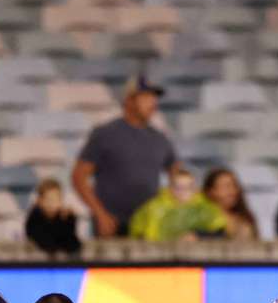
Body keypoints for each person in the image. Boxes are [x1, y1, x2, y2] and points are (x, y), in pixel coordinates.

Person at [72, 75, 179, 237]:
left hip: (148, 227)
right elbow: (78, 177)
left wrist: (168, 210)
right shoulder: (105, 134)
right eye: (146, 97)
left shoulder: (160, 138)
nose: (153, 103)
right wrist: (100, 214)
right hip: (112, 225)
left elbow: (177, 174)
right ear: (129, 101)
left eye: (154, 98)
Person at [128, 169, 226, 242]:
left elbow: (219, 231)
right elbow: (141, 232)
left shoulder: (205, 208)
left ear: (195, 189)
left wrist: (198, 235)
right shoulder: (155, 207)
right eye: (178, 187)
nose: (183, 192)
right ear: (170, 188)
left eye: (187, 187)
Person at [25, 178, 82, 255]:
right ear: (40, 201)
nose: (53, 203)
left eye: (57, 199)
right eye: (49, 199)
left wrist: (69, 219)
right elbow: (45, 241)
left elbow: (72, 242)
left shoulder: (65, 217)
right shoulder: (35, 218)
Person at [202, 168, 258, 241]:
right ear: (211, 191)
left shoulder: (244, 219)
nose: (232, 191)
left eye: (234, 185)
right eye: (226, 186)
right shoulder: (203, 220)